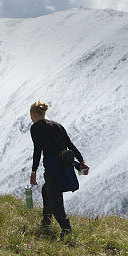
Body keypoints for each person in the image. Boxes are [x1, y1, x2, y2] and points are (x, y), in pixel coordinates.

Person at [29, 101, 88, 236]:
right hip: (66, 164)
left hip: (52, 166)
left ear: (33, 114)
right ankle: (46, 221)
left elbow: (37, 150)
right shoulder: (57, 125)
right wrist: (82, 161)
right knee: (46, 190)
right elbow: (70, 144)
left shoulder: (36, 128)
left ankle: (67, 230)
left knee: (55, 198)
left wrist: (33, 171)